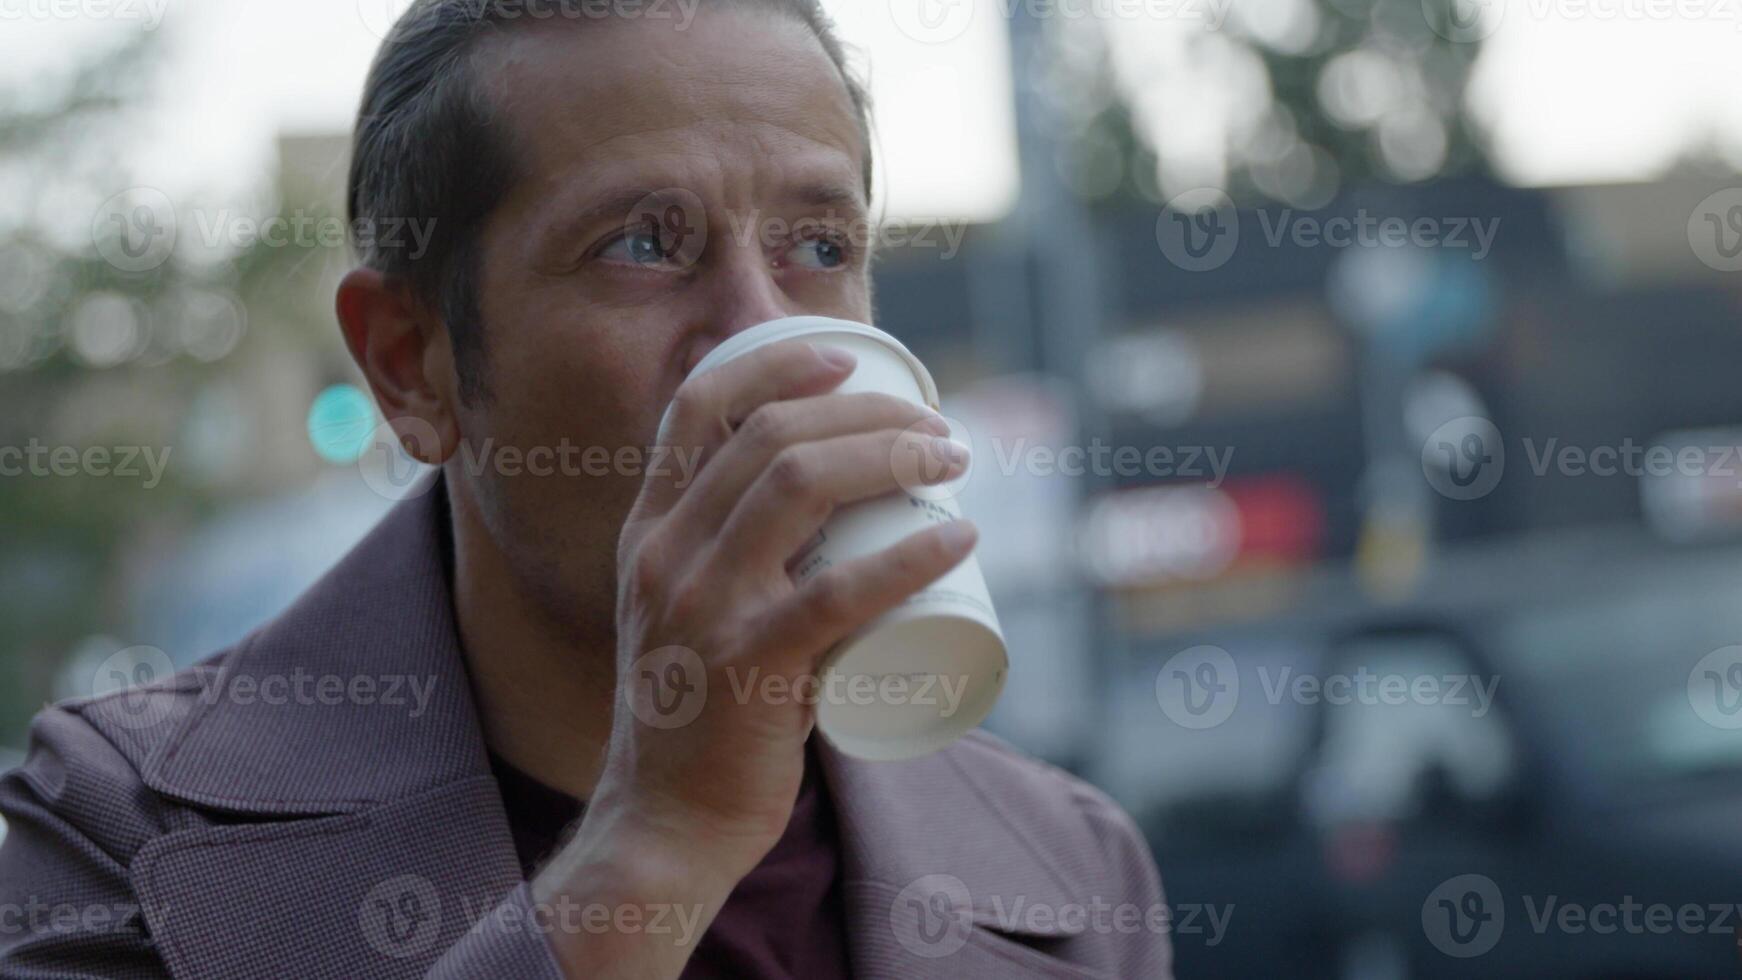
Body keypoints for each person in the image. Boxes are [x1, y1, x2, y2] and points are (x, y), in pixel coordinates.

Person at [0, 2, 1173, 976]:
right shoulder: (114, 832)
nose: (767, 348)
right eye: (642, 246)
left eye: (817, 247)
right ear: (412, 364)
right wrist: (656, 843)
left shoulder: (1071, 869)